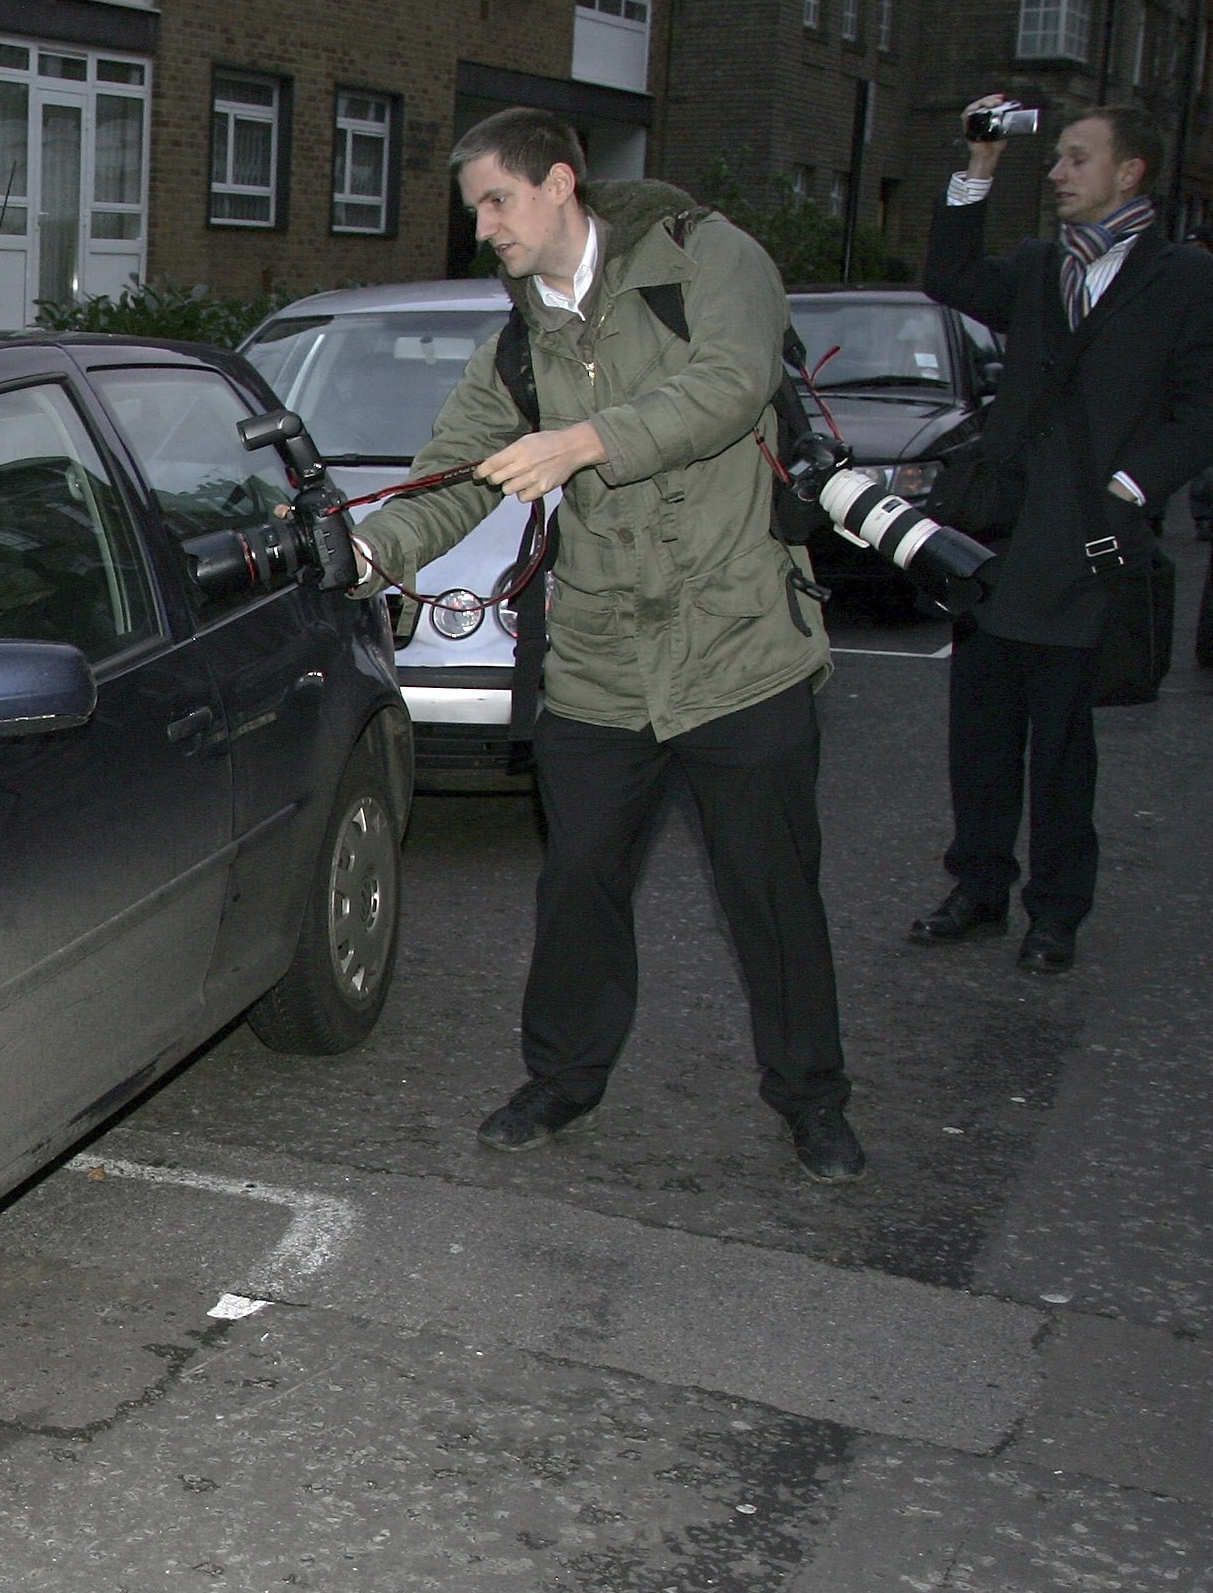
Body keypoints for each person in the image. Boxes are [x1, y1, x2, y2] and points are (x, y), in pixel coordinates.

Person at [347, 108, 863, 1184]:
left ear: (560, 183)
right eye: (474, 209)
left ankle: (813, 1096)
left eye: (496, 201)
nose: (483, 226)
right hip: (596, 658)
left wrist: (583, 443)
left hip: (736, 648)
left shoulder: (709, 257)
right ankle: (563, 1079)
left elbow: (731, 384)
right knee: (578, 884)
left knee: (770, 892)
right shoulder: (523, 330)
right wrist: (368, 548)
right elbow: (453, 471)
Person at [912, 100, 1213, 970]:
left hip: (1090, 545)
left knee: (1064, 748)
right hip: (1001, 540)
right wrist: (978, 162)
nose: (1058, 174)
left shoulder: (1185, 279)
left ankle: (1056, 912)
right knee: (981, 734)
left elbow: (1203, 412)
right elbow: (951, 274)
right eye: (1056, 160)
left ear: (1131, 173)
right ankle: (977, 887)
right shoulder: (1043, 266)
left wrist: (1131, 487)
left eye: (1078, 159)